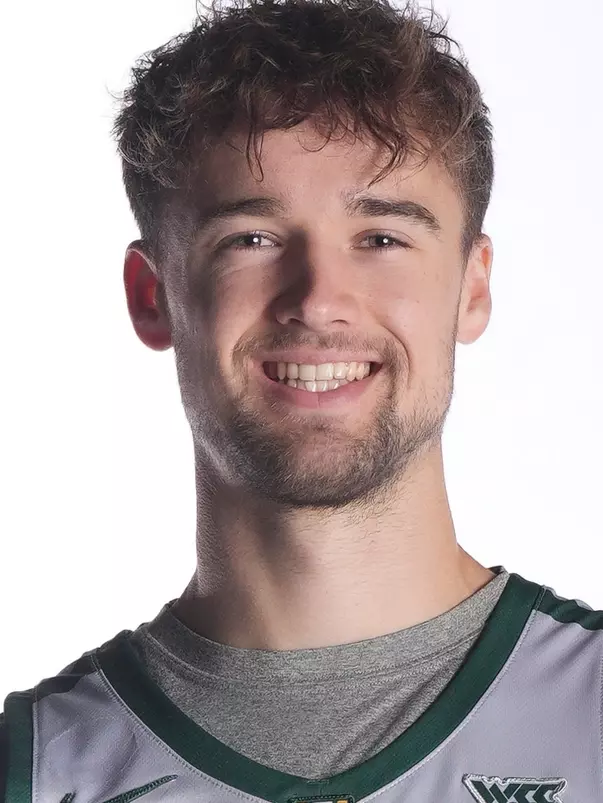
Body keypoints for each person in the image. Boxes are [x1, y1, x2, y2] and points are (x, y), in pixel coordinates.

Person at [1, 0, 601, 800]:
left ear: (472, 288)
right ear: (153, 296)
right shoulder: (36, 771)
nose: (318, 300)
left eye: (381, 237)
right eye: (250, 239)